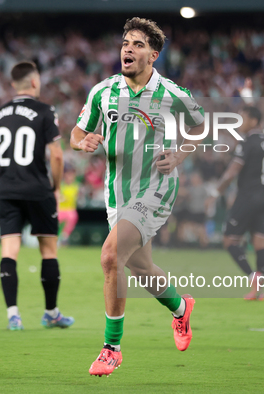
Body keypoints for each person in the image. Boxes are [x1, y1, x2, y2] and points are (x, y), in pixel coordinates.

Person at [70, 17, 205, 377]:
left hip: (156, 187)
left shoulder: (172, 93)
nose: (128, 48)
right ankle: (181, 308)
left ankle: (111, 348)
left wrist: (179, 154)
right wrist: (82, 141)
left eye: (138, 44)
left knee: (110, 256)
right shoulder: (103, 91)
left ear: (154, 55)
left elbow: (200, 124)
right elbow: (77, 131)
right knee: (141, 269)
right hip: (118, 194)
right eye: (125, 42)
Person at [0, 61, 74, 331]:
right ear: (35, 82)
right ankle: (51, 313)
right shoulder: (45, 111)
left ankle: (13, 314)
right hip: (37, 190)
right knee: (48, 251)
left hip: (8, 190)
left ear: (14, 84)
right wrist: (56, 187)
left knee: (9, 251)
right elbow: (56, 154)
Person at [217, 106, 264, 301]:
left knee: (229, 240)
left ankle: (253, 277)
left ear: (254, 121)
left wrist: (216, 192)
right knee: (259, 241)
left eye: (243, 118)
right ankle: (260, 289)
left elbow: (232, 172)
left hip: (247, 196)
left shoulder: (247, 143)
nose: (239, 121)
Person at [58, 166, 80, 245]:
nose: (70, 177)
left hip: (70, 209)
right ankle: (55, 237)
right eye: (68, 175)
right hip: (60, 209)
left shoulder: (76, 186)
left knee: (72, 217)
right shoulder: (61, 186)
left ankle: (64, 237)